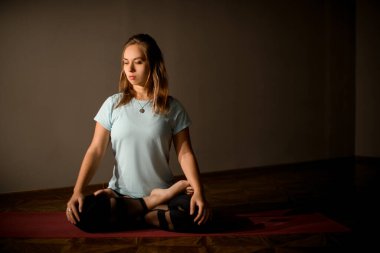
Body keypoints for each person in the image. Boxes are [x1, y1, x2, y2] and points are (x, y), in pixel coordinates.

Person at [66, 33, 211, 233]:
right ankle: (152, 205)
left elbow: (185, 153)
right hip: (121, 193)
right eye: (126, 62)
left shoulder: (173, 107)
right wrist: (77, 191)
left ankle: (133, 211)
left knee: (195, 214)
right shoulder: (112, 104)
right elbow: (96, 150)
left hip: (164, 190)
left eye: (138, 62)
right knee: (83, 212)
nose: (130, 69)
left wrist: (199, 192)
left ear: (152, 64)